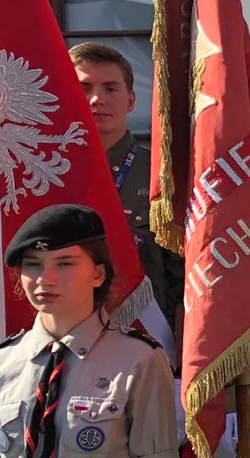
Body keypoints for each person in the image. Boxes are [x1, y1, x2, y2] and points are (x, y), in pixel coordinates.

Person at [0, 204, 179, 458]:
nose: (45, 279)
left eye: (64, 264)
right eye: (33, 265)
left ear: (98, 274)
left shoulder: (139, 361)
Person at [69, 42, 183, 342]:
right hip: (65, 341)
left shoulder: (162, 175)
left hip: (145, 342)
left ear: (131, 101)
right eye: (84, 88)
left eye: (110, 89)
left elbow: (184, 277)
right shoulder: (48, 174)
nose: (97, 99)